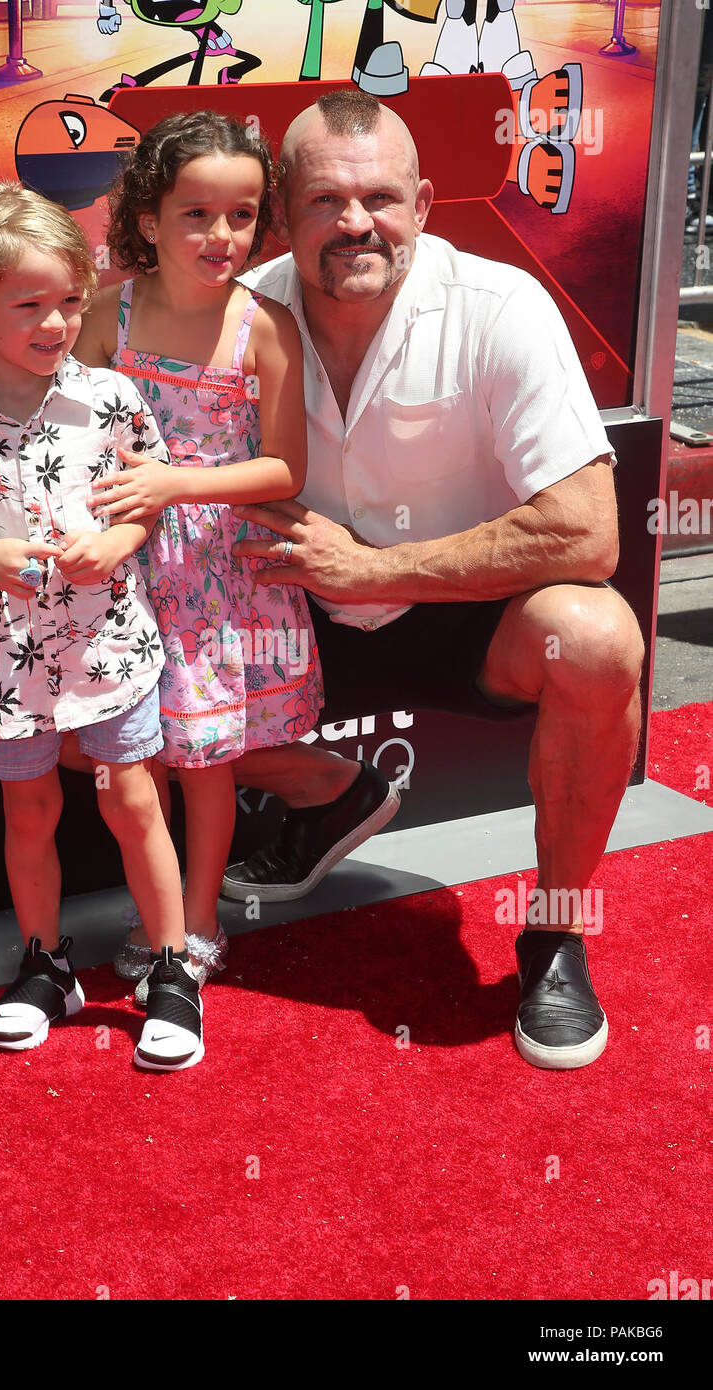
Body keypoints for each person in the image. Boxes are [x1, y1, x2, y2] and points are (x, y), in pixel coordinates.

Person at [221, 88, 644, 1071]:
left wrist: (374, 565)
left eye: (379, 197)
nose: (355, 221)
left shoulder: (500, 306)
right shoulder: (232, 317)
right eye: (326, 199)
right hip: (292, 615)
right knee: (94, 654)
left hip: (467, 618)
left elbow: (589, 534)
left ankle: (554, 933)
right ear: (280, 208)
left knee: (596, 638)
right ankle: (326, 796)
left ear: (421, 200)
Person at [0, 182, 204, 1072]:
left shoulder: (109, 400)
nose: (56, 322)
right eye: (28, 304)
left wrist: (114, 540)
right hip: (2, 662)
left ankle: (173, 966)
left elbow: (149, 504)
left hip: (109, 647)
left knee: (131, 799)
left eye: (70, 300)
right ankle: (46, 965)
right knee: (27, 811)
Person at [75, 110, 330, 1004]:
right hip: (124, 565)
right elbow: (70, 429)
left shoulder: (263, 328)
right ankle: (153, 912)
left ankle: (195, 925)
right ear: (147, 218)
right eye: (196, 214)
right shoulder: (111, 311)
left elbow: (284, 465)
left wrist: (174, 485)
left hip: (217, 577)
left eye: (242, 214)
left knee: (205, 762)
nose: (221, 235)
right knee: (132, 755)